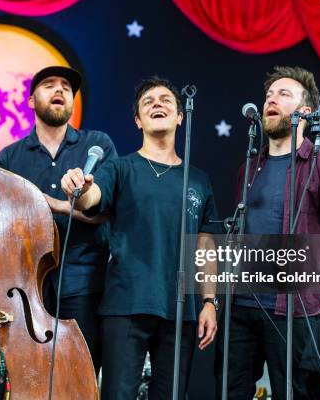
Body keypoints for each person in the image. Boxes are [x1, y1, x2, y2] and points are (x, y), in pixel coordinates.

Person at [60, 76, 219, 399]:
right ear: (137, 120)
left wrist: (209, 301)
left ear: (179, 116)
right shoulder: (120, 168)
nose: (157, 104)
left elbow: (205, 245)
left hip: (181, 309)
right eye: (148, 102)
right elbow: (92, 200)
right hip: (125, 304)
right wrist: (82, 188)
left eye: (165, 100)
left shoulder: (199, 180)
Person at [214, 66, 320, 400]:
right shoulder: (249, 167)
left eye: (283, 94)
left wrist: (314, 301)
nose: (271, 100)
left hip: (292, 312)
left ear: (304, 111)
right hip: (240, 307)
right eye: (268, 95)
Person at [0, 65, 117, 374]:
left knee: (80, 371)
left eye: (66, 86)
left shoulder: (97, 144)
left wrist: (53, 204)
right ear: (32, 101)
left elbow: (107, 212)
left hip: (84, 278)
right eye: (49, 84)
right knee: (28, 372)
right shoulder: (9, 157)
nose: (60, 89)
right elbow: (1, 222)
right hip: (25, 283)